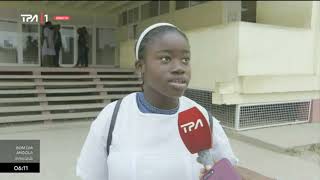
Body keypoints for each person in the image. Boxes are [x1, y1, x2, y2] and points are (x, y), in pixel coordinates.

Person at [76, 23, 238, 180]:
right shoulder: (113, 116)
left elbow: (227, 170)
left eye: (185, 59)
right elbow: (91, 174)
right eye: (166, 59)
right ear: (141, 67)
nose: (179, 68)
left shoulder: (201, 118)